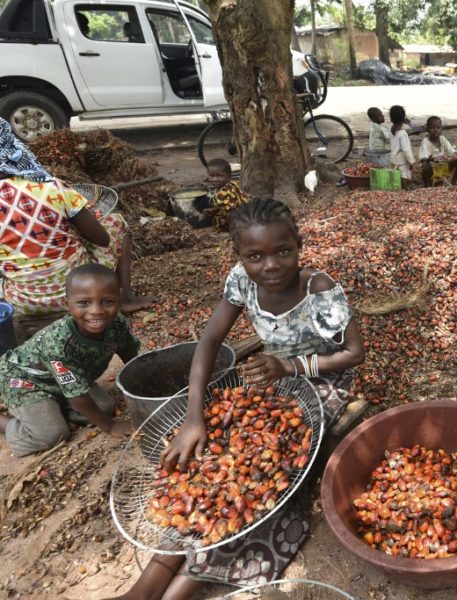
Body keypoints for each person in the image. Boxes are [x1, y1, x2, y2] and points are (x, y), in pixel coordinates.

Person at [110, 199, 365, 600]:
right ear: (240, 257)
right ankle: (147, 586)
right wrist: (194, 419)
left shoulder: (318, 288)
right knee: (212, 461)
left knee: (264, 479)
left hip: (320, 379)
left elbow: (353, 353)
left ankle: (179, 588)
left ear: (299, 246)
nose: (271, 265)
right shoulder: (242, 282)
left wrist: (291, 368)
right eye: (255, 256)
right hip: (271, 377)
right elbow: (209, 342)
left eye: (283, 251)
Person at [0, 117, 151, 316]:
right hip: (79, 290)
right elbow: (102, 240)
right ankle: (125, 298)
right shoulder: (50, 186)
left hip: (23, 301)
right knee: (116, 223)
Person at [0, 264, 137, 457]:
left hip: (66, 380)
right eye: (84, 303)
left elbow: (130, 352)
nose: (97, 311)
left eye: (107, 301)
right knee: (53, 435)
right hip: (26, 382)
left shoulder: (117, 323)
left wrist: (144, 385)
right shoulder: (59, 344)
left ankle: (52, 409)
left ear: (119, 297)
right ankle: (8, 424)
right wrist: (111, 427)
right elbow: (78, 396)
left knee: (105, 407)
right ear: (67, 302)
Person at [204, 158, 250, 232]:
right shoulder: (232, 184)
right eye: (212, 176)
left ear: (229, 175)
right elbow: (227, 204)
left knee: (217, 220)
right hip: (246, 213)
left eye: (220, 176)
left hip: (241, 219)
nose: (215, 179)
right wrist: (214, 210)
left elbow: (231, 212)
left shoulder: (225, 192)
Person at [418, 116, 457, 187]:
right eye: (432, 128)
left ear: (441, 129)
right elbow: (422, 158)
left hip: (443, 167)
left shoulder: (442, 139)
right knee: (425, 165)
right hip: (432, 169)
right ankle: (427, 187)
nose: (436, 130)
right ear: (427, 129)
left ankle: (453, 183)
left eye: (438, 127)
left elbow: (452, 151)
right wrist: (429, 159)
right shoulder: (425, 142)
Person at [388, 105, 416, 181]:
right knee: (404, 176)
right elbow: (406, 149)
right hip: (401, 160)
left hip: (393, 157)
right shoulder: (402, 133)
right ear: (404, 118)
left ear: (391, 118)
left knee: (394, 175)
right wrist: (411, 161)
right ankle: (405, 188)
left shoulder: (392, 130)